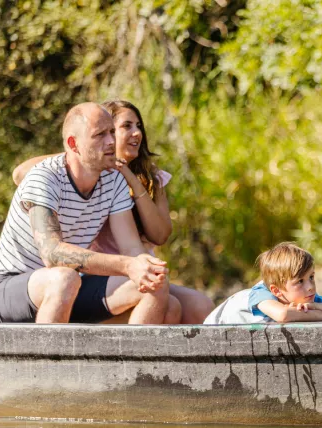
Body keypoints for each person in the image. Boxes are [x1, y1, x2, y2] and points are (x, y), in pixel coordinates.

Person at [12, 100, 214, 324]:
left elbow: (158, 236)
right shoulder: (61, 173)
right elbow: (20, 174)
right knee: (66, 280)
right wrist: (81, 153)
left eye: (138, 126)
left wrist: (130, 177)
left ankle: (131, 358)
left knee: (193, 303)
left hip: (114, 273)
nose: (136, 132)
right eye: (126, 126)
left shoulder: (139, 178)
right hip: (81, 274)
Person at [204, 242, 322, 324]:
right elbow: (283, 314)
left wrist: (317, 306)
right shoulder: (262, 293)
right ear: (277, 291)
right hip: (212, 335)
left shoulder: (308, 300)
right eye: (300, 281)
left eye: (311, 277)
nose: (310, 286)